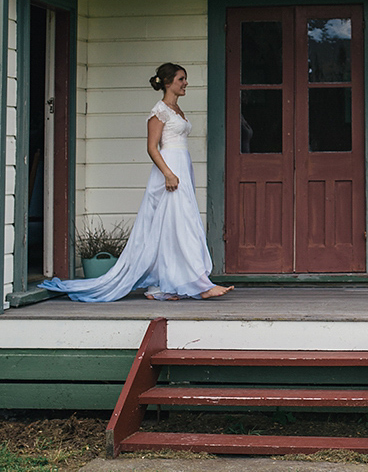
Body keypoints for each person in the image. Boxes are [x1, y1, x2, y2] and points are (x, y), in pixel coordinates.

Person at [40, 63, 233, 302]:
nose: (185, 83)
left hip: (183, 166)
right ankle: (200, 284)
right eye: (181, 79)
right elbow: (152, 148)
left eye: (185, 79)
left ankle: (162, 285)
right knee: (183, 227)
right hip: (169, 170)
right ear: (167, 82)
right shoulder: (159, 111)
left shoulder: (176, 109)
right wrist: (168, 174)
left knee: (172, 229)